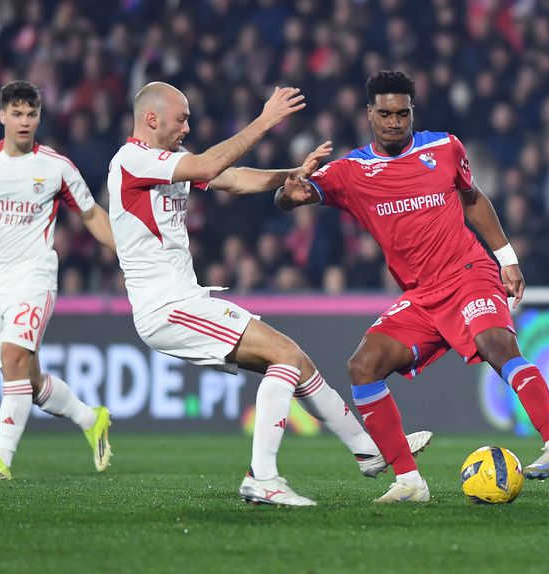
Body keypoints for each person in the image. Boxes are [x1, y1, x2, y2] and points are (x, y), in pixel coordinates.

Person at [107, 81, 431, 506]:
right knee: (284, 356)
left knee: (297, 360)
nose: (188, 125)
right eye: (181, 117)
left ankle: (368, 450)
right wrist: (265, 120)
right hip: (166, 307)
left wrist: (294, 174)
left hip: (185, 301)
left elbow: (236, 179)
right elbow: (206, 168)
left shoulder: (167, 161)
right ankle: (262, 476)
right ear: (152, 119)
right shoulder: (133, 160)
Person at [276, 70, 549, 503]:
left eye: (403, 113)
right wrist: (289, 193)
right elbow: (291, 197)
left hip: (469, 274)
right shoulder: (351, 172)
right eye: (385, 113)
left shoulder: (444, 147)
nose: (395, 122)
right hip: (421, 296)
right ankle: (409, 481)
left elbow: (472, 199)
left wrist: (507, 258)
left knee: (498, 346)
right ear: (369, 114)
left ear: (412, 112)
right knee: (363, 366)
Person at [0, 81, 116, 480]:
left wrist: (128, 252)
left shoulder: (56, 167)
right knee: (25, 379)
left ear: (39, 117)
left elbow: (92, 215)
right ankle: (91, 418)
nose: (24, 121)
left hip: (35, 276)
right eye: (16, 113)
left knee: (14, 359)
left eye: (31, 114)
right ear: (2, 116)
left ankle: (1, 460)